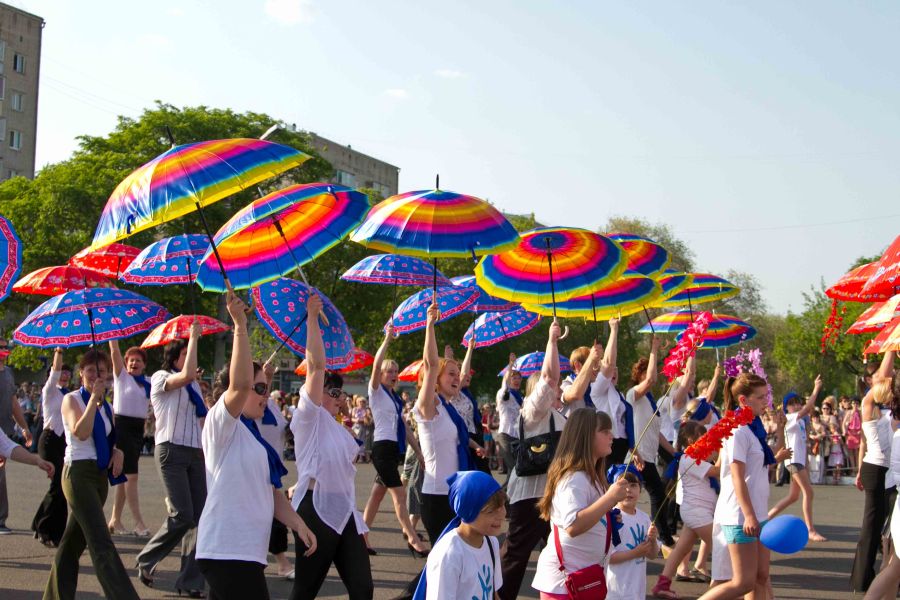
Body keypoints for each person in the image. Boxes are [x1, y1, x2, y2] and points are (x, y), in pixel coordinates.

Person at [196, 289, 316, 600]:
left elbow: (270, 492)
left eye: (267, 387)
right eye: (259, 388)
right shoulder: (221, 423)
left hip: (246, 550)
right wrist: (239, 326)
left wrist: (297, 524)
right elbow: (240, 385)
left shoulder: (253, 435)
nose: (265, 394)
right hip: (227, 549)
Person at [289, 293, 373, 600]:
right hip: (314, 509)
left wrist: (359, 522)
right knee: (305, 591)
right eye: (333, 390)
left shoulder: (341, 430)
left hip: (344, 511)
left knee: (363, 589)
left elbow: (346, 480)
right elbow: (315, 365)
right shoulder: (308, 418)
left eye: (341, 391)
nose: (340, 397)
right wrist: (312, 317)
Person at [43, 349, 140, 600]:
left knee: (72, 544)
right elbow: (82, 432)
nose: (96, 375)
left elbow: (107, 440)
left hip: (98, 476)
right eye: (91, 370)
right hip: (77, 473)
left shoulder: (105, 405)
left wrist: (117, 452)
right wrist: (92, 400)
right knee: (101, 542)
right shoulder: (72, 399)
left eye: (102, 371)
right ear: (81, 373)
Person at [137, 321, 208, 597]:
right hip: (171, 450)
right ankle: (146, 558)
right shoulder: (159, 377)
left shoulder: (194, 387)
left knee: (199, 518)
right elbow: (187, 374)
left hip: (194, 452)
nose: (191, 358)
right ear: (175, 357)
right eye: (186, 353)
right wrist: (193, 337)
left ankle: (190, 581)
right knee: (182, 515)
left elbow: (203, 417)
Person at [697, 373, 782, 600]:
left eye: (766, 396)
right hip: (740, 515)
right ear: (744, 400)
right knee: (743, 582)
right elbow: (737, 477)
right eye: (761, 397)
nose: (766, 401)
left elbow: (760, 469)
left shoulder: (753, 428)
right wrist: (749, 516)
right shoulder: (737, 431)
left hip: (758, 512)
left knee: (761, 577)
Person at [499, 319, 566, 600]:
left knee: (562, 555)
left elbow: (565, 381)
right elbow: (550, 378)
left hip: (554, 495)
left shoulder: (558, 415)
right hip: (529, 497)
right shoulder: (533, 411)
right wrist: (552, 341)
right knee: (516, 557)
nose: (558, 387)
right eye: (552, 387)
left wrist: (596, 359)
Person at [531, 408, 629, 598]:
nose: (613, 436)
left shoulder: (591, 477)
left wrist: (606, 515)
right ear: (586, 436)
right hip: (564, 584)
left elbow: (589, 513)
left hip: (584, 578)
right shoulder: (574, 478)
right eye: (605, 431)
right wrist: (609, 499)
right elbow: (573, 525)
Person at [415, 303, 485, 543]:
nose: (457, 378)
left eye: (458, 374)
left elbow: (458, 438)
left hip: (457, 493)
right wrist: (430, 325)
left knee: (456, 559)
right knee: (442, 562)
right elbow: (431, 363)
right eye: (451, 374)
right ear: (435, 379)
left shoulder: (450, 409)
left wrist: (475, 446)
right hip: (437, 496)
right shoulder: (428, 407)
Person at [361, 323, 429, 557]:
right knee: (399, 495)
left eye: (395, 371)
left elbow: (405, 428)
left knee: (377, 495)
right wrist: (388, 339)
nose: (393, 374)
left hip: (392, 449)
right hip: (381, 448)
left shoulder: (394, 399)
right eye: (389, 371)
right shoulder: (376, 392)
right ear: (380, 375)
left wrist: (419, 453)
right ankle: (412, 538)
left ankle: (362, 536)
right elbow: (376, 364)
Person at [414, 471, 505, 600]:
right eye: (491, 511)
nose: (502, 515)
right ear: (468, 512)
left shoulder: (491, 543)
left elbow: (493, 594)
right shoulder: (449, 553)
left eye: (502, 506)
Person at [653, 420, 719, 599]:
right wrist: (724, 450)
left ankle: (662, 584)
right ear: (691, 440)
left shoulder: (694, 456)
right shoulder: (689, 459)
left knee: (680, 550)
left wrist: (720, 445)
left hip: (695, 512)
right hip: (697, 512)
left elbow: (712, 454)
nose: (707, 441)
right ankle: (720, 590)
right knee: (723, 548)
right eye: (703, 437)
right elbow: (717, 470)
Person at [851, 351, 897, 593]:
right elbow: (882, 377)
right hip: (875, 469)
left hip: (888, 471)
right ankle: (862, 580)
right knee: (871, 526)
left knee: (889, 527)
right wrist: (890, 348)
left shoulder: (891, 407)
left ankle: (887, 578)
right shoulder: (868, 404)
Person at [626, 336, 677, 547]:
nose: (651, 376)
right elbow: (651, 381)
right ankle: (661, 537)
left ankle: (658, 535)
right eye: (647, 372)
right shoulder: (633, 395)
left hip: (648, 455)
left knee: (655, 494)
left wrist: (674, 453)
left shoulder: (651, 402)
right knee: (654, 494)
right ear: (638, 375)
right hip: (635, 456)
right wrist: (654, 349)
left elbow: (657, 434)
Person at [767, 376, 826, 540]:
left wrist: (806, 460)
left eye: (797, 402)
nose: (797, 405)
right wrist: (816, 389)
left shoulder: (799, 421)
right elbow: (808, 408)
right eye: (792, 403)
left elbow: (803, 440)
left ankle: (766, 518)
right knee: (809, 492)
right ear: (786, 407)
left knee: (793, 497)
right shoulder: (791, 419)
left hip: (798, 461)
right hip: (793, 461)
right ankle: (810, 530)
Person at [106, 340, 152, 537]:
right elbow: (114, 350)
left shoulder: (148, 382)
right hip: (122, 426)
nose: (134, 363)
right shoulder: (121, 377)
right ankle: (139, 523)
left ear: (144, 364)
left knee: (126, 476)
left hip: (137, 430)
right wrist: (113, 336)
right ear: (126, 363)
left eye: (138, 361)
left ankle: (115, 520)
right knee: (131, 477)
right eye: (131, 360)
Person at [862, 372, 900, 600]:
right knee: (893, 564)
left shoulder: (893, 430)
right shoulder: (879, 421)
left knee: (893, 564)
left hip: (889, 485)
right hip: (881, 479)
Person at [258, 366, 295, 579]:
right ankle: (282, 562)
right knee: (272, 518)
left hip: (273, 469)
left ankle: (263, 560)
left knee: (270, 517)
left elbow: (280, 431)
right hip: (258, 468)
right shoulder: (250, 404)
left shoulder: (270, 404)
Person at [31, 348, 71, 547]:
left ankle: (53, 529)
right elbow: (55, 371)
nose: (63, 374)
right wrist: (59, 350)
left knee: (63, 487)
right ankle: (44, 528)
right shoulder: (50, 390)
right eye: (61, 371)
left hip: (64, 442)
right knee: (57, 484)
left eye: (67, 372)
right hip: (48, 439)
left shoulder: (70, 395)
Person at [606, 467, 659, 600]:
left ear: (640, 490)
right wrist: (635, 553)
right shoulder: (612, 517)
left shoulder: (644, 518)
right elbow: (608, 558)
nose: (628, 489)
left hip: (637, 590)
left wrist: (653, 540)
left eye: (633, 485)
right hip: (616, 591)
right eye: (623, 485)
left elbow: (653, 555)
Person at [0, 335, 30, 535]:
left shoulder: (8, 373)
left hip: (5, 431)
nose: (3, 350)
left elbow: (13, 403)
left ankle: (1, 519)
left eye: (5, 347)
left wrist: (24, 427)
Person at [589, 319, 630, 464]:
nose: (613, 372)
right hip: (607, 444)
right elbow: (608, 364)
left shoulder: (618, 393)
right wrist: (614, 330)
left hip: (621, 444)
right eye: (610, 371)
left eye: (616, 370)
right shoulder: (597, 389)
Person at [495, 355, 523, 480]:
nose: (516, 380)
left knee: (516, 470)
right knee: (514, 469)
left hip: (517, 436)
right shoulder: (504, 395)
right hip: (505, 435)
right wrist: (510, 365)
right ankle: (505, 497)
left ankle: (508, 497)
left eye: (518, 378)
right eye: (513, 378)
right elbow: (504, 384)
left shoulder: (521, 397)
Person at [844, 397, 862, 472]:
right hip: (850, 433)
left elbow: (864, 422)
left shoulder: (860, 412)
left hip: (858, 433)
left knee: (857, 452)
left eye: (856, 403)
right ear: (851, 404)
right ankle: (853, 468)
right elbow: (844, 423)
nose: (855, 405)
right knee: (851, 452)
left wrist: (861, 430)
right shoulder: (849, 412)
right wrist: (844, 431)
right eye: (853, 403)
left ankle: (858, 468)